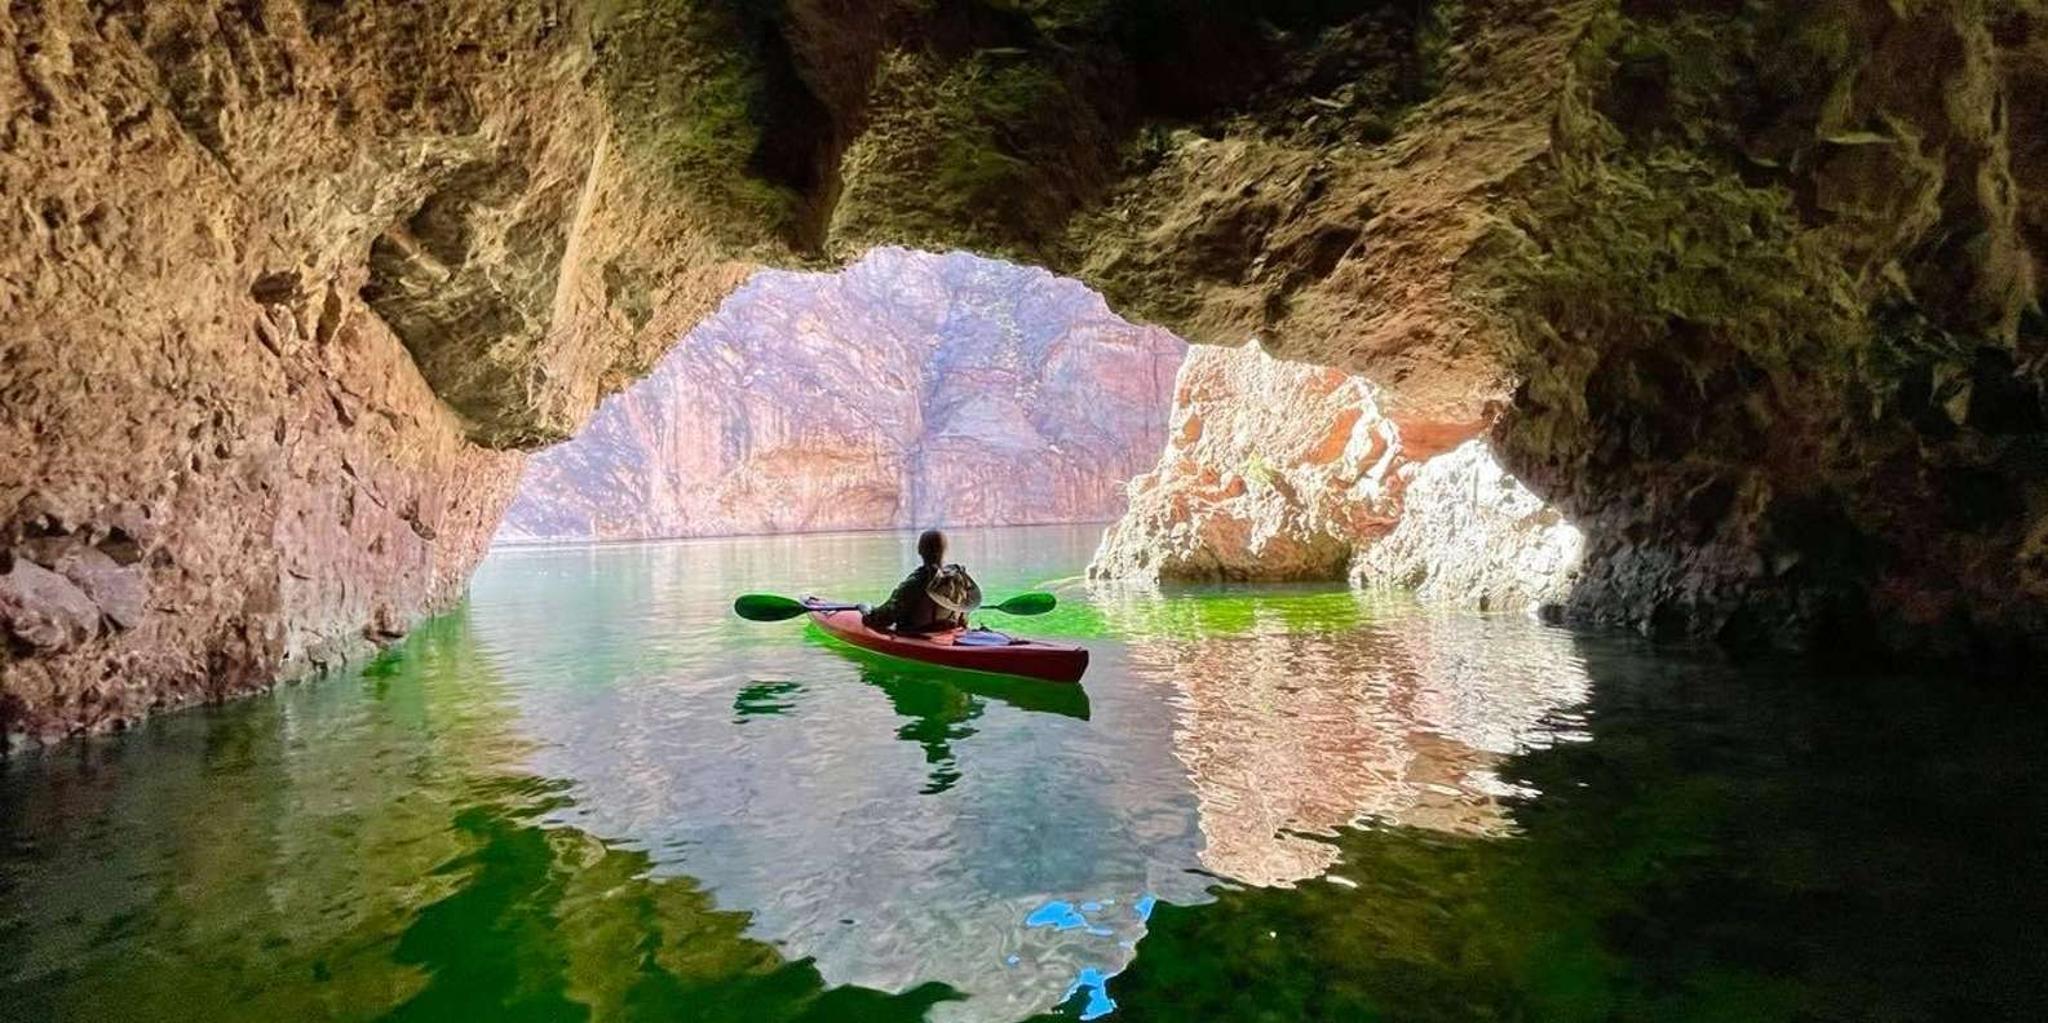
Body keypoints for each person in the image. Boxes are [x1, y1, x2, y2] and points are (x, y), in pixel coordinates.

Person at [863, 529, 981, 634]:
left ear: (919, 550)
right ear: (945, 550)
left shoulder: (915, 583)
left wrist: (865, 609)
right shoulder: (959, 580)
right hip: (948, 634)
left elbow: (883, 619)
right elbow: (963, 620)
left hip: (917, 636)